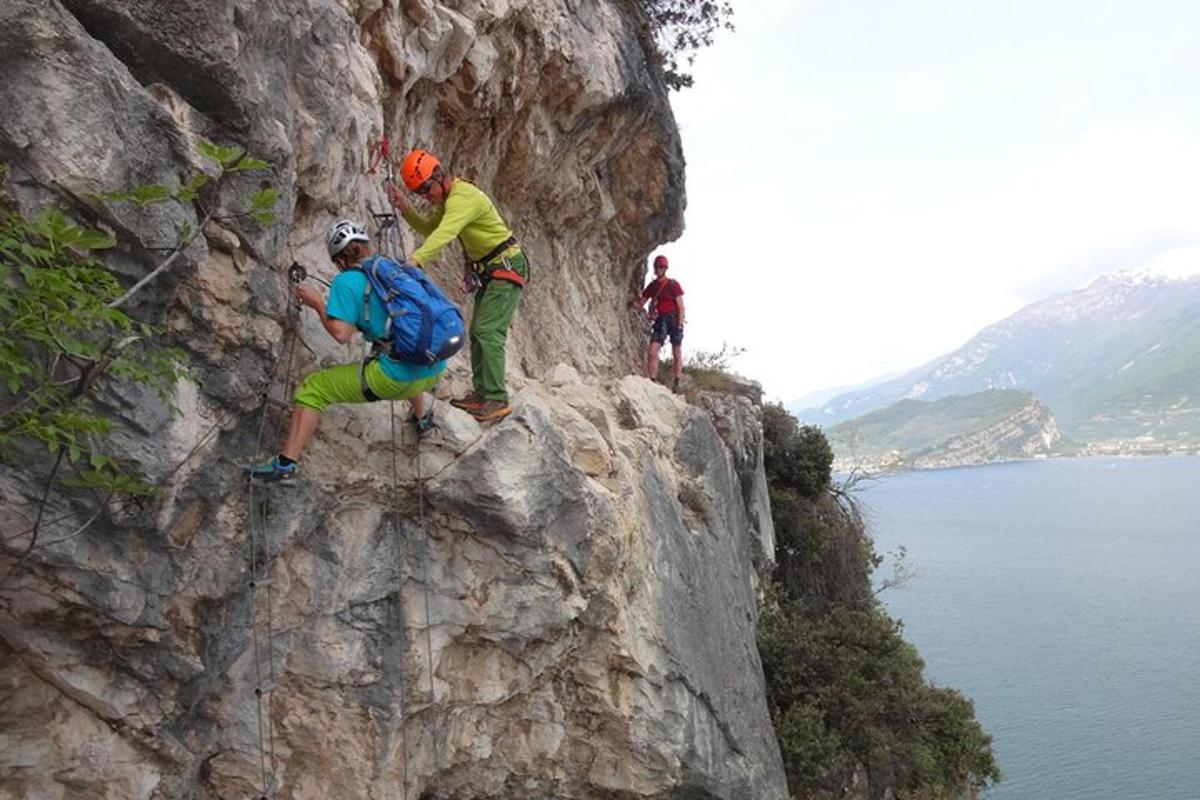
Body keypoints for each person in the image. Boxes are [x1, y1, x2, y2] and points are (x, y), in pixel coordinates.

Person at [247, 220, 445, 482]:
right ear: (365, 245)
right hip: (433, 370)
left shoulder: (347, 281)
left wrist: (318, 304)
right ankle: (422, 420)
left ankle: (285, 464)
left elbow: (341, 334)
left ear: (339, 259)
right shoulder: (394, 269)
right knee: (405, 346)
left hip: (396, 377)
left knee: (314, 389)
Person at [386, 148, 528, 423]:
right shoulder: (448, 200)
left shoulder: (463, 198)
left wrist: (415, 261)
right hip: (492, 269)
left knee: (487, 331)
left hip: (506, 265)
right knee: (478, 331)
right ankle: (484, 393)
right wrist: (406, 209)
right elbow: (429, 227)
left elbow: (445, 233)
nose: (426, 197)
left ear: (439, 177)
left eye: (426, 190)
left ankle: (496, 398)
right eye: (420, 194)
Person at [632, 254, 686, 391]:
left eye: (661, 267)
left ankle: (677, 382)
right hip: (661, 320)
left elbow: (680, 306)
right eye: (656, 267)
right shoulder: (653, 286)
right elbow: (642, 302)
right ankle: (653, 380)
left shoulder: (673, 285)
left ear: (665, 268)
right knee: (652, 350)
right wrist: (632, 304)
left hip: (673, 319)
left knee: (677, 352)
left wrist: (680, 324)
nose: (658, 269)